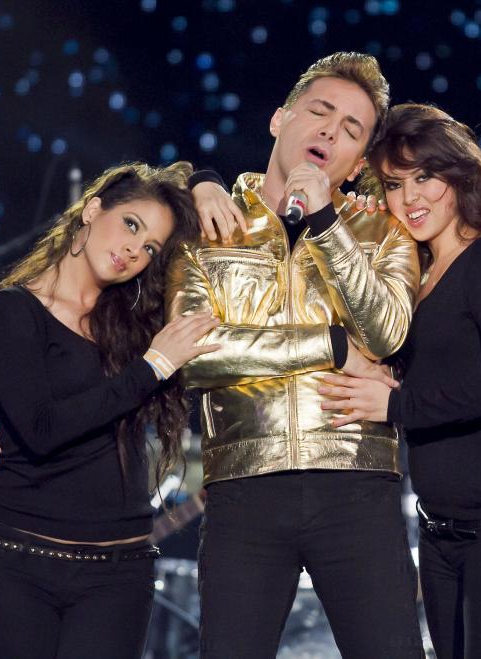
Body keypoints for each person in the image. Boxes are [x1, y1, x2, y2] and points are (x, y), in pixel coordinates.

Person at [166, 52, 423, 658]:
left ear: (359, 163)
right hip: (242, 493)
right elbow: (194, 354)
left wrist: (328, 225)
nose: (331, 131)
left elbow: (387, 334)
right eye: (320, 111)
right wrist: (331, 346)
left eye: (352, 130)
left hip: (357, 485)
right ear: (281, 120)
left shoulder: (382, 234)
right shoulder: (208, 226)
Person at [317, 103, 481, 659]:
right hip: (440, 535)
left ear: (457, 174)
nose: (411, 199)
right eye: (394, 184)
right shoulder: (418, 272)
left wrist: (397, 404)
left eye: (424, 177)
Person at [0, 162, 220, 659]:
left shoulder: (135, 325)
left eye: (149, 248)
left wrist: (206, 180)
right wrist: (153, 367)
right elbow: (42, 429)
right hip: (19, 564)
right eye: (131, 224)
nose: (133, 250)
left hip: (118, 574)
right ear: (92, 208)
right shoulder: (15, 310)